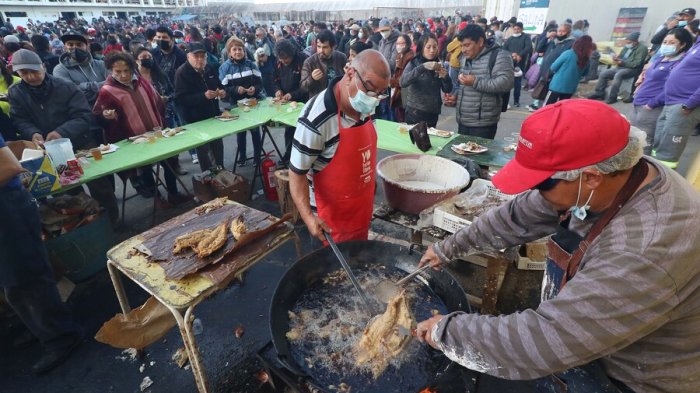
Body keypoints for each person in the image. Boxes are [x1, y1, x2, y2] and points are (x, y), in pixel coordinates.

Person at [415, 99, 700, 393]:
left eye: (541, 184)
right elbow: (517, 216)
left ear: (590, 178)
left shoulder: (645, 247)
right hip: (585, 337)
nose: (533, 191)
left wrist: (446, 332)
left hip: (631, 378)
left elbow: (547, 340)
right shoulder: (612, 173)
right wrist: (448, 248)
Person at [0, 133, 83, 374]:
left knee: (27, 279)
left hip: (8, 210)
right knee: (12, 284)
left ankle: (62, 336)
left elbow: (8, 166)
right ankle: (40, 327)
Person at [289, 50, 390, 243]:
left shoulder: (367, 106)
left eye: (380, 93)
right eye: (370, 90)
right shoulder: (316, 118)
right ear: (351, 74)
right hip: (328, 226)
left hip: (360, 214)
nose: (374, 98)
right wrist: (309, 219)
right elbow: (296, 172)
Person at [9, 49, 119, 225]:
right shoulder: (16, 92)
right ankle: (84, 224)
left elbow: (84, 116)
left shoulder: (65, 86)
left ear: (43, 67)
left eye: (34, 71)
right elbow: (20, 120)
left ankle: (114, 220)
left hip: (80, 142)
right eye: (24, 73)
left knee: (99, 186)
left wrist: (62, 132)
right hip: (48, 150)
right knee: (66, 192)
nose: (30, 77)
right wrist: (33, 133)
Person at [93, 51, 188, 206]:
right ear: (111, 70)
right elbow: (98, 114)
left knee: (169, 163)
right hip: (135, 139)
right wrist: (106, 116)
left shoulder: (143, 82)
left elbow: (157, 101)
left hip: (157, 132)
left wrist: (161, 108)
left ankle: (173, 193)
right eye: (118, 72)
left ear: (132, 69)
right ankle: (158, 199)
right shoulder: (107, 91)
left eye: (127, 71)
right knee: (146, 171)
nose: (123, 75)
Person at [630, 28, 693, 154]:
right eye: (665, 42)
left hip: (651, 108)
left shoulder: (679, 64)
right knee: (633, 140)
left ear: (683, 45)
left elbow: (672, 88)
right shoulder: (661, 59)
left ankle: (642, 171)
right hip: (639, 103)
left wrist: (652, 103)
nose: (666, 45)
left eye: (672, 43)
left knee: (644, 145)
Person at [651, 30, 700, 169]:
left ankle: (662, 185)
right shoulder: (696, 45)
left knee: (668, 153)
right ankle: (656, 176)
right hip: (671, 103)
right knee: (659, 144)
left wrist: (689, 104)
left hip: (684, 105)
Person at [454, 25, 514, 138]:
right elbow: (464, 86)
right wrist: (455, 96)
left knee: (478, 155)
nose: (463, 50)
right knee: (461, 154)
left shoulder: (500, 56)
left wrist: (475, 82)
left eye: (467, 45)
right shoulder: (465, 58)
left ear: (480, 41)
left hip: (482, 125)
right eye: (461, 46)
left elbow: (505, 83)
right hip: (463, 121)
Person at [174, 42, 226, 172]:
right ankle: (208, 177)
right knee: (204, 150)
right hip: (196, 119)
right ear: (188, 56)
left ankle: (221, 173)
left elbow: (219, 85)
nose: (200, 59)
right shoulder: (181, 73)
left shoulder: (209, 68)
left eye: (203, 56)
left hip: (214, 116)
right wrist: (203, 96)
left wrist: (222, 91)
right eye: (196, 56)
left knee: (218, 146)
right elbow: (181, 99)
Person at [219, 37, 263, 167]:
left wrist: (254, 89)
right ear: (229, 52)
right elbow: (223, 89)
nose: (238, 52)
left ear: (244, 51)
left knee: (255, 131)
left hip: (252, 104)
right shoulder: (224, 68)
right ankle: (242, 156)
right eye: (234, 49)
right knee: (241, 133)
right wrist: (236, 89)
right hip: (235, 105)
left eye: (240, 49)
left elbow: (260, 83)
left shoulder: (251, 65)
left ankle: (257, 156)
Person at [399, 33, 452, 127]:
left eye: (435, 47)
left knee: (430, 139)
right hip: (415, 112)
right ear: (421, 48)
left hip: (433, 113)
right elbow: (403, 82)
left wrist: (445, 77)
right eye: (428, 47)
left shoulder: (439, 63)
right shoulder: (414, 62)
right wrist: (422, 67)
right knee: (416, 140)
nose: (432, 50)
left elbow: (447, 89)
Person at [273, 38, 308, 166]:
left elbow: (306, 85)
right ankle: (288, 154)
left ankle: (303, 157)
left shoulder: (303, 60)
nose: (283, 61)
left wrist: (292, 94)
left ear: (292, 54)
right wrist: (277, 90)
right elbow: (275, 79)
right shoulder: (279, 63)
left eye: (286, 59)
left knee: (302, 130)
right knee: (289, 130)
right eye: (281, 59)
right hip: (287, 104)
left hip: (303, 101)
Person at [587, 32, 647, 104]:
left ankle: (613, 97)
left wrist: (622, 63)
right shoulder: (627, 47)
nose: (627, 44)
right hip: (621, 66)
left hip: (632, 69)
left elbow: (637, 63)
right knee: (604, 73)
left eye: (629, 42)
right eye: (627, 42)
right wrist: (616, 58)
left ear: (635, 42)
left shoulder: (642, 49)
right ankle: (599, 93)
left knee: (618, 74)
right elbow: (621, 56)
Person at [53, 30, 108, 106]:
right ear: (65, 47)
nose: (75, 47)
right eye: (70, 44)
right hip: (84, 112)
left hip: (108, 109)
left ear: (87, 46)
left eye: (79, 44)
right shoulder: (59, 70)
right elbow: (71, 93)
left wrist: (81, 86)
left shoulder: (101, 64)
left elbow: (112, 84)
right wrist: (99, 87)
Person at [529, 23, 575, 111]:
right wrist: (546, 37)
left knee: (550, 96)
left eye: (563, 31)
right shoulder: (553, 40)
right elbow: (539, 49)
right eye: (559, 31)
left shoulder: (570, 43)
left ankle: (547, 110)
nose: (560, 33)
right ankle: (536, 105)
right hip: (545, 70)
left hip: (555, 73)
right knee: (541, 89)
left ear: (568, 33)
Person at [545, 35, 594, 105]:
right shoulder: (586, 60)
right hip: (570, 89)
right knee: (562, 109)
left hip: (556, 86)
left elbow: (553, 67)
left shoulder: (568, 53)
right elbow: (584, 74)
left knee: (547, 108)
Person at [301, 29, 347, 98]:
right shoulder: (309, 62)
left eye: (325, 47)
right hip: (319, 101)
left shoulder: (341, 57)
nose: (321, 51)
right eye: (319, 46)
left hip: (338, 99)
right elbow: (303, 88)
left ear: (333, 47)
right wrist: (312, 78)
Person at [502, 22, 531, 107]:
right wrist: (512, 54)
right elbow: (504, 49)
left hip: (520, 65)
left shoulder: (526, 37)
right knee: (507, 83)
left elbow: (528, 48)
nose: (516, 30)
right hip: (509, 63)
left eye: (518, 29)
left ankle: (516, 101)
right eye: (515, 29)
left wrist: (519, 55)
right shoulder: (510, 39)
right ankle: (506, 102)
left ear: (521, 29)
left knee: (517, 84)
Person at [389, 33, 414, 122]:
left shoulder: (410, 57)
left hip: (404, 92)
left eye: (402, 43)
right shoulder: (399, 55)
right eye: (397, 43)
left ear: (408, 44)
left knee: (402, 117)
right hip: (397, 89)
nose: (399, 46)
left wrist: (392, 82)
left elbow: (403, 78)